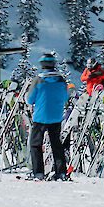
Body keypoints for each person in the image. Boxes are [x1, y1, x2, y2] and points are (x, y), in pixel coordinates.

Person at [25, 53, 71, 181]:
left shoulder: (38, 80)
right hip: (56, 116)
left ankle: (38, 172)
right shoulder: (61, 80)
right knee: (56, 144)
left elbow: (29, 99)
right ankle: (61, 172)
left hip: (40, 116)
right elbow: (66, 97)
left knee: (35, 144)